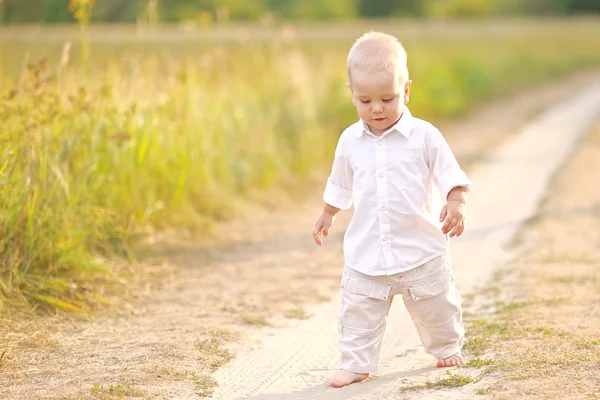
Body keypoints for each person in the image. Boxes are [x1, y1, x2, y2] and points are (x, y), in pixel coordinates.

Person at [312, 31, 472, 388]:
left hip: (421, 249)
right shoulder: (349, 141)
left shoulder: (425, 136)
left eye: (388, 98)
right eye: (365, 100)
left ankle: (446, 346)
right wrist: (328, 213)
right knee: (358, 313)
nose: (377, 108)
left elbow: (452, 174)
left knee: (437, 308)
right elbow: (340, 183)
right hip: (367, 252)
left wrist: (456, 202)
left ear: (407, 90)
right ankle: (356, 362)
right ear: (351, 93)